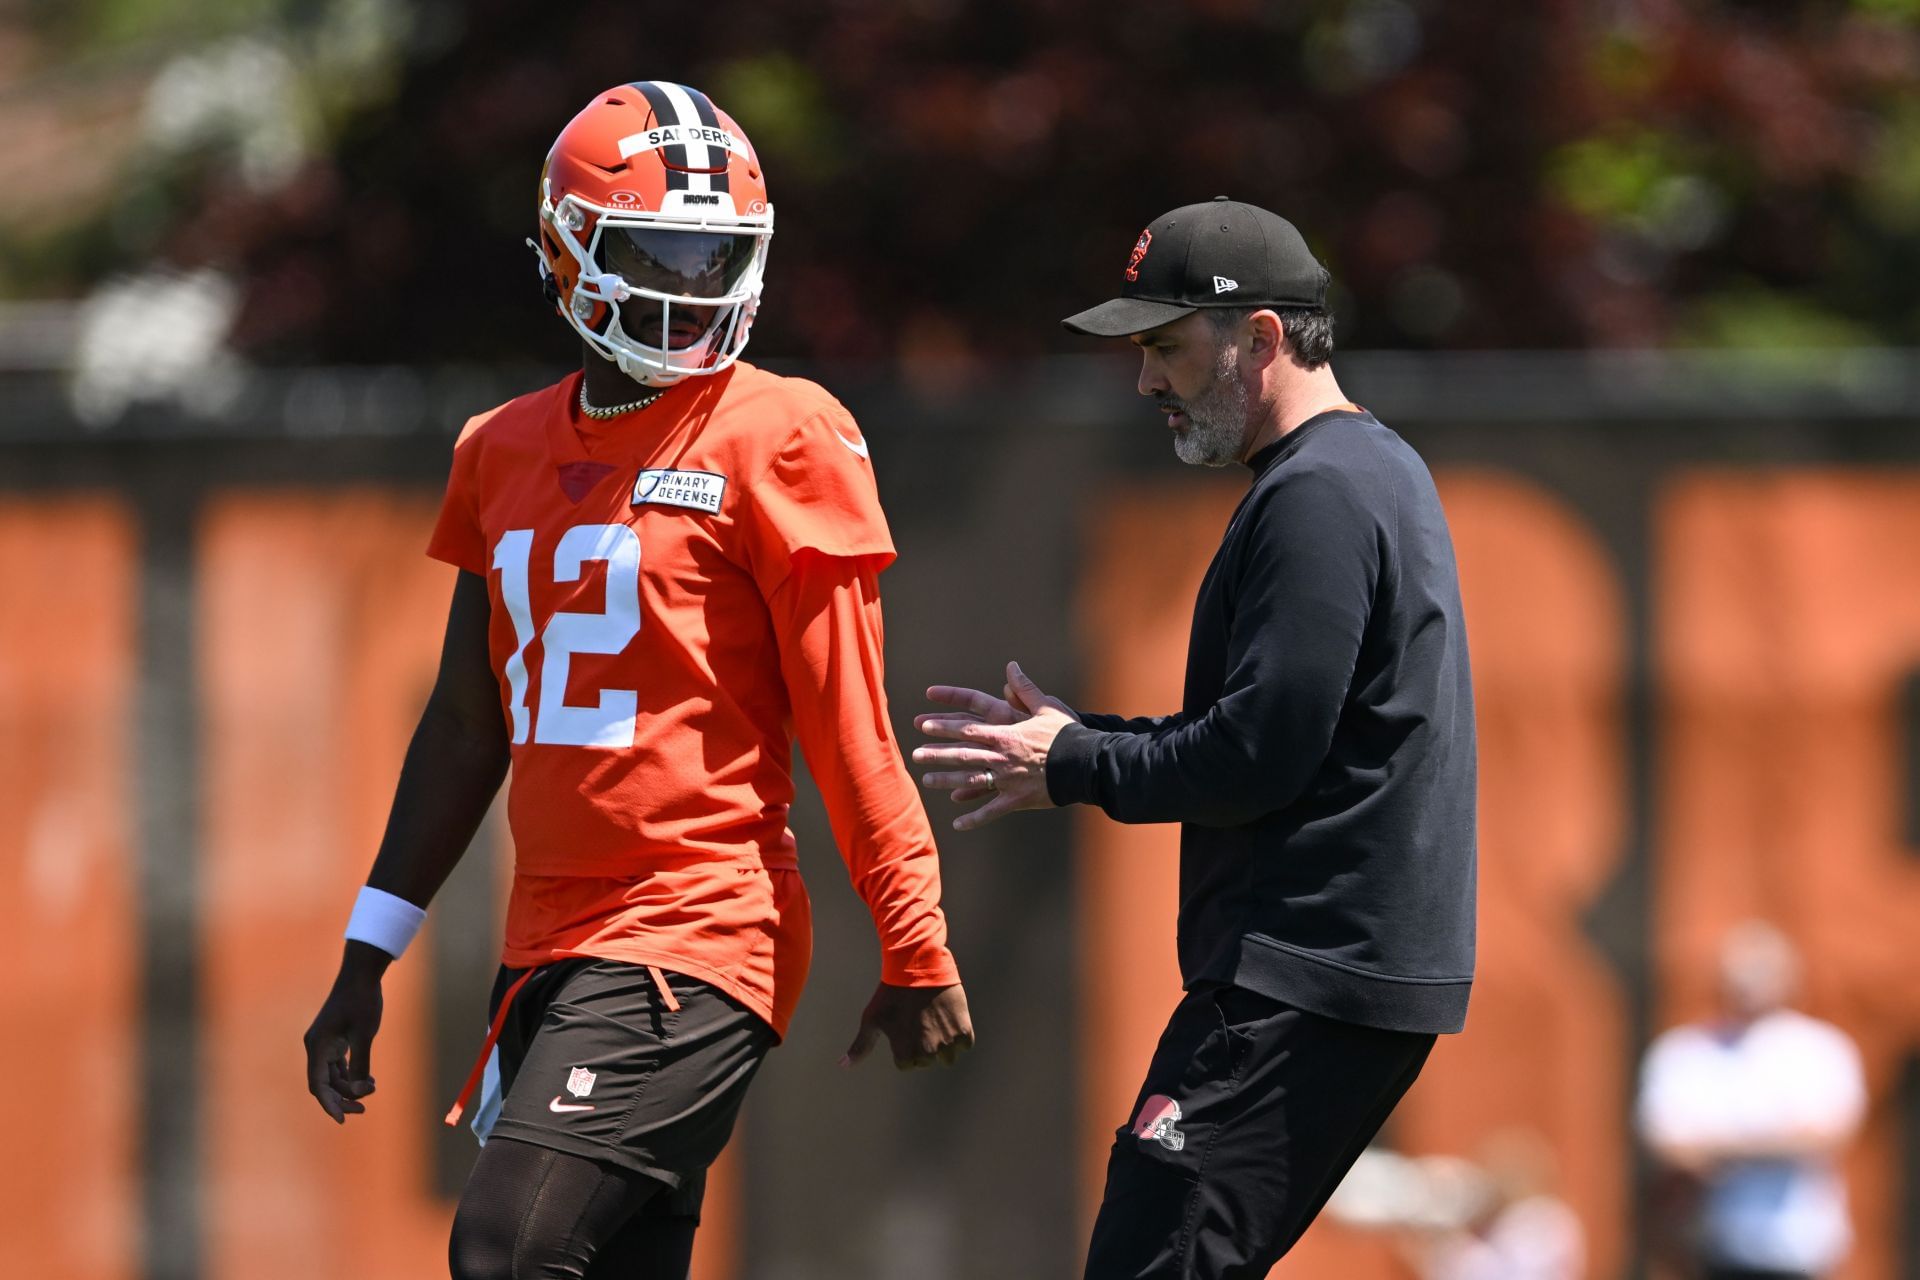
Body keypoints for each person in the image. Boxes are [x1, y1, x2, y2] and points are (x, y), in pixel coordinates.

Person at [300, 81, 973, 1280]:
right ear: (566, 248)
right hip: (548, 938)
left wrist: (915, 941)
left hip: (700, 927)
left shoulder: (783, 430)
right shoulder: (498, 446)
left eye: (717, 256)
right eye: (659, 249)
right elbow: (467, 724)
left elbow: (849, 727)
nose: (688, 285)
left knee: (507, 1250)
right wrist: (369, 950)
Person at [912, 197, 1477, 1277]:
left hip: (1297, 978)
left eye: (1166, 346)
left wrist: (1075, 763)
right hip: (1321, 975)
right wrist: (1084, 738)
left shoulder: (1318, 491)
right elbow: (1273, 728)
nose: (1147, 381)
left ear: (1260, 337)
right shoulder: (1360, 472)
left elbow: (1259, 753)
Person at [1637, 921, 1865, 1280]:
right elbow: (1667, 1142)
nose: (1749, 983)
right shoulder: (1683, 1052)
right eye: (1741, 970)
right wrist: (1772, 1141)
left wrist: (1718, 1148)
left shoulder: (1820, 1050)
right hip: (1706, 1245)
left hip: (1796, 1247)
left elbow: (1825, 1135)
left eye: (1762, 969)